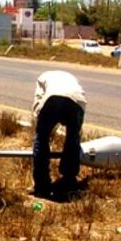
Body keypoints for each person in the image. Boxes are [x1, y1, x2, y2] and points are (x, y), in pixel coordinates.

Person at [31, 70, 86, 200]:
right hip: (76, 101)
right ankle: (69, 178)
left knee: (42, 139)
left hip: (52, 97)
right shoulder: (72, 78)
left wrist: (40, 122)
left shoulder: (42, 77)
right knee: (72, 139)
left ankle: (42, 183)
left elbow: (38, 100)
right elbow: (81, 97)